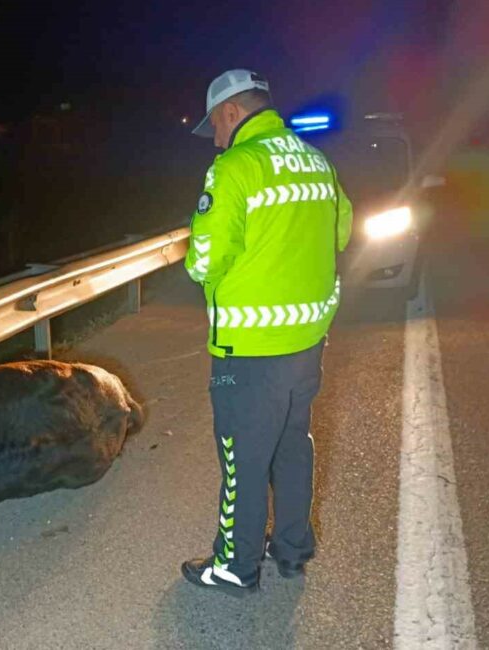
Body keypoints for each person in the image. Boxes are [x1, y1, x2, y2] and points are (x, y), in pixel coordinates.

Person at [180, 69, 353, 595]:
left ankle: (235, 565)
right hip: (307, 340)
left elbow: (205, 259)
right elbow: (343, 230)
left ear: (231, 112)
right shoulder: (317, 161)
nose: (215, 138)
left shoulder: (235, 167)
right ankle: (293, 549)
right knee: (292, 444)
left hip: (250, 347)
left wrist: (204, 262)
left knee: (243, 459)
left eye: (215, 125)